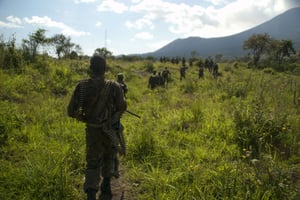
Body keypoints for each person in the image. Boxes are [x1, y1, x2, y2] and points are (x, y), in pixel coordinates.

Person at [67, 54, 127, 200]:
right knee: (109, 156)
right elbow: (122, 107)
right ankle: (106, 185)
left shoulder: (81, 86)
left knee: (92, 162)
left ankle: (91, 193)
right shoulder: (115, 87)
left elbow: (70, 111)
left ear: (90, 68)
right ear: (105, 69)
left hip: (92, 131)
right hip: (110, 130)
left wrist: (82, 117)